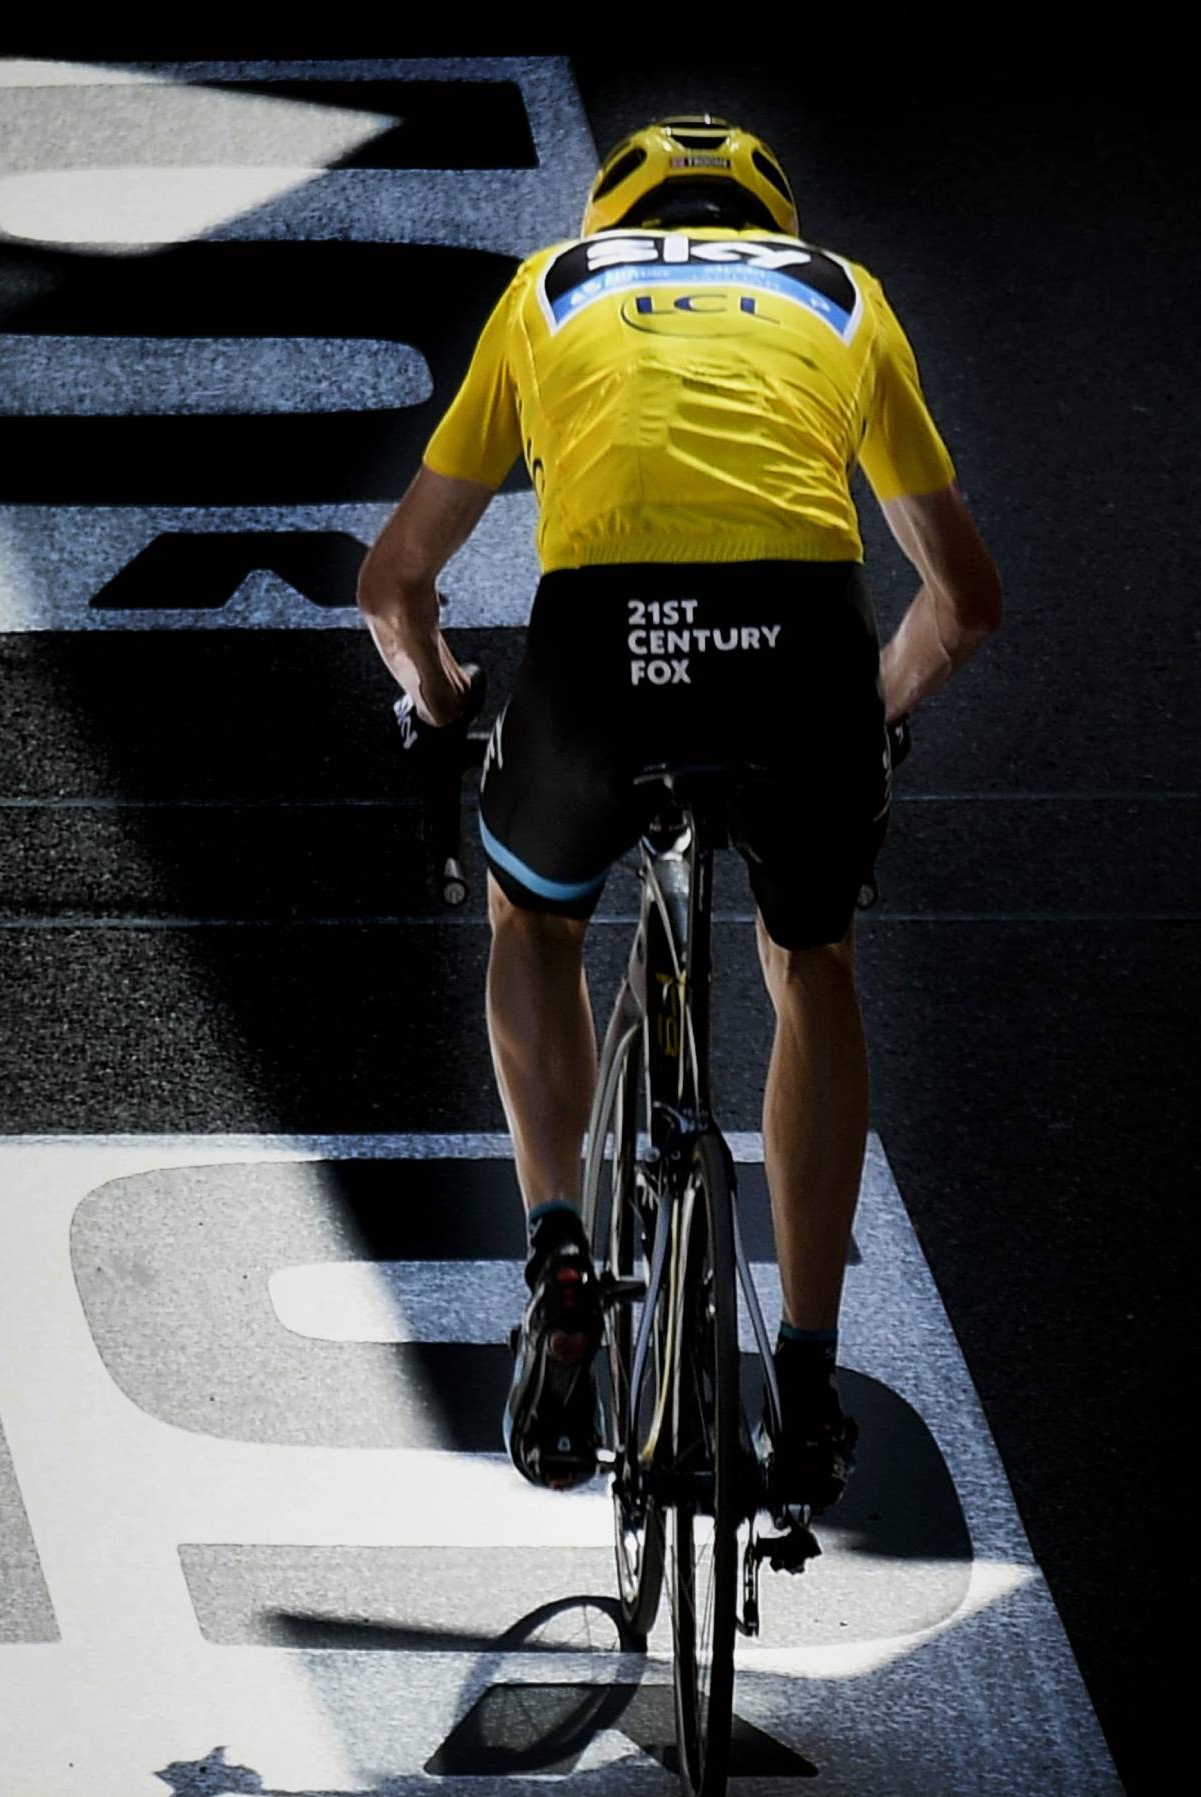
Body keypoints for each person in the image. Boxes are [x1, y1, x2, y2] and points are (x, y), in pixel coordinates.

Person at [358, 114, 1002, 1504]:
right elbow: (965, 598)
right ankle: (814, 1376)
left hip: (604, 649)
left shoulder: (552, 283)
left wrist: (446, 702)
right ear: (765, 220)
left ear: (615, 212)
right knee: (811, 955)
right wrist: (874, 710)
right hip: (806, 649)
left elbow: (393, 584)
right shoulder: (841, 291)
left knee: (531, 919)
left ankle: (562, 1258)